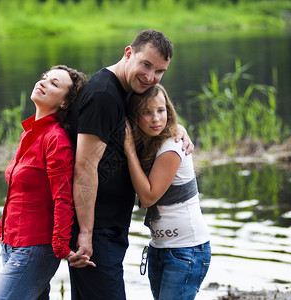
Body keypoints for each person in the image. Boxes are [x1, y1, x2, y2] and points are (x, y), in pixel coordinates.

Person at [67, 29, 193, 299]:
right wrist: (86, 234)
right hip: (95, 230)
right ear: (128, 53)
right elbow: (84, 168)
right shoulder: (104, 94)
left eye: (159, 71)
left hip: (111, 227)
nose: (150, 77)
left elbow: (153, 118)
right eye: (146, 65)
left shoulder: (129, 91)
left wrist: (177, 127)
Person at [0, 65, 93, 300]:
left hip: (33, 248)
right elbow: (19, 191)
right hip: (10, 243)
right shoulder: (29, 133)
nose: (44, 83)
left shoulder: (56, 139)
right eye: (45, 78)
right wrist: (2, 229)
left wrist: (60, 247)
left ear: (65, 103)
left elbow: (63, 198)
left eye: (54, 84)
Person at [124, 83, 211, 300]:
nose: (156, 119)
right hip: (160, 248)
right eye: (147, 112)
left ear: (168, 111)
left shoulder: (172, 145)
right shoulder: (149, 143)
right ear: (135, 116)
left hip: (186, 250)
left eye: (161, 111)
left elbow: (148, 197)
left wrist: (129, 151)